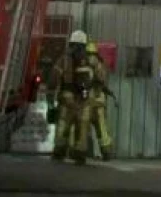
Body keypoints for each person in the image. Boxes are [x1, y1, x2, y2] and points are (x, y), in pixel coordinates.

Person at [49, 30, 96, 164]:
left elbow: (54, 77)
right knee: (82, 127)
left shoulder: (64, 58)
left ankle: (59, 152)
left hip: (67, 97)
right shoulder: (88, 60)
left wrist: (51, 94)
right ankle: (80, 155)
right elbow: (93, 79)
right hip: (84, 99)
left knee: (63, 124)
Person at [86, 41, 115, 161]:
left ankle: (77, 151)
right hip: (99, 99)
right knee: (101, 128)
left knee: (81, 124)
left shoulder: (84, 63)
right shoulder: (101, 65)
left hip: (88, 98)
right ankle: (106, 152)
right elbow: (102, 83)